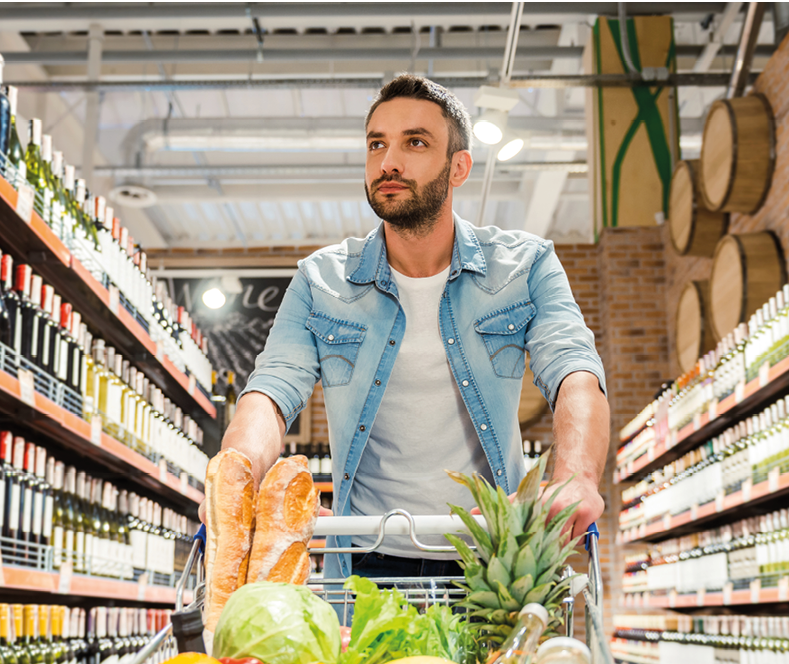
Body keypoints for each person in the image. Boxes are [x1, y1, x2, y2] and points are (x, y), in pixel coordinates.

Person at [201, 74, 609, 589]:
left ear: (458, 166)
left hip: (493, 561)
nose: (388, 161)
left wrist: (575, 479)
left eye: (415, 142)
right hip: (364, 559)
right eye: (377, 144)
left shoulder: (525, 267)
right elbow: (270, 393)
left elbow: (575, 373)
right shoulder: (321, 281)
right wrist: (235, 473)